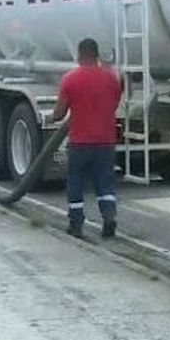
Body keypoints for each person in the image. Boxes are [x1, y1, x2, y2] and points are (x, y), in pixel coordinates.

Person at [45, 38, 122, 239]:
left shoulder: (70, 79)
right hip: (106, 140)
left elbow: (60, 113)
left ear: (79, 55)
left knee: (76, 182)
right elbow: (114, 104)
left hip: (80, 141)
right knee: (105, 183)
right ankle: (109, 217)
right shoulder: (111, 79)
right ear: (97, 55)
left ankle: (76, 223)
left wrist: (51, 117)